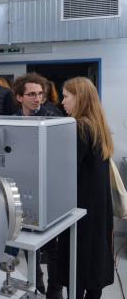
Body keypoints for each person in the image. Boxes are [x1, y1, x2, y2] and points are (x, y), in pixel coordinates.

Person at [59, 77, 114, 299]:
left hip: (81, 208)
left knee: (77, 266)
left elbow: (66, 171)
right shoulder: (99, 126)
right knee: (94, 264)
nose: (62, 102)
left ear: (79, 98)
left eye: (66, 97)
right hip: (99, 207)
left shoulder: (79, 127)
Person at [12, 73, 63, 298]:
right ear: (19, 97)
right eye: (31, 94)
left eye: (40, 94)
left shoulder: (53, 117)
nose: (37, 99)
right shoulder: (12, 120)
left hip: (50, 190)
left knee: (53, 247)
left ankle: (54, 291)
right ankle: (37, 287)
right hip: (24, 190)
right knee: (28, 245)